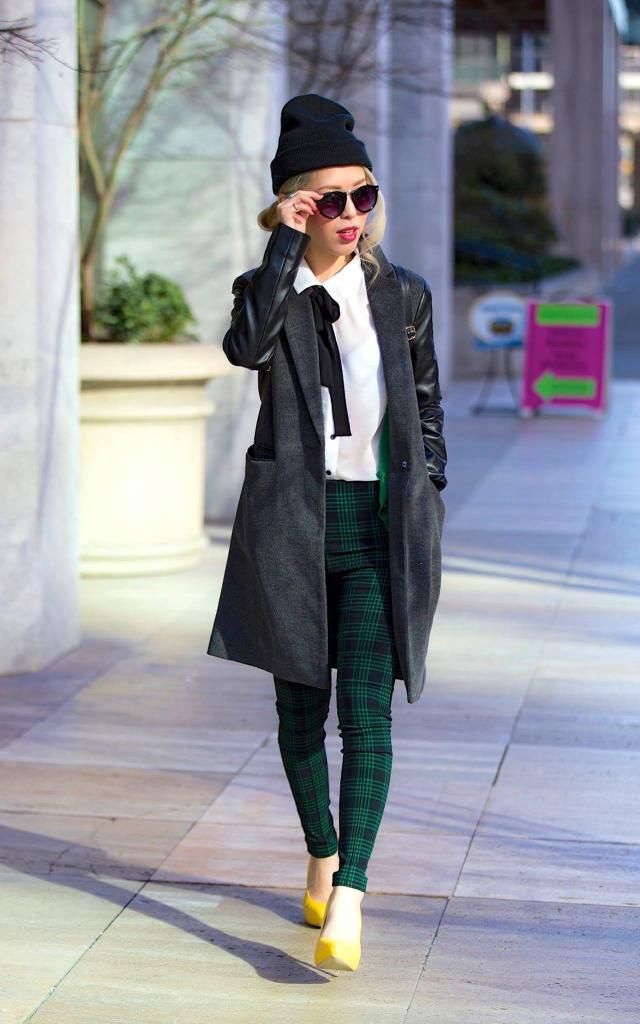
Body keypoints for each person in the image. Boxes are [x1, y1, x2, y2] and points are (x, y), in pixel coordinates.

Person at [206, 94, 447, 972]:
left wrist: (430, 483)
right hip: (292, 526)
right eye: (331, 199)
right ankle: (320, 848)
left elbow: (426, 403)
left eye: (363, 195)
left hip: (380, 526)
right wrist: (282, 245)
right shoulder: (268, 290)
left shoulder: (402, 293)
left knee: (366, 717)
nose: (352, 215)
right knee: (299, 713)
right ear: (297, 204)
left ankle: (350, 893)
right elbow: (246, 349)